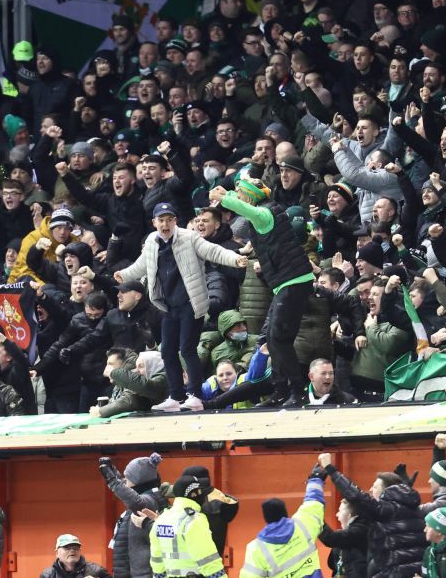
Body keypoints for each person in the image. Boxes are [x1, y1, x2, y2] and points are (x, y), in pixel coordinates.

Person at [115, 202, 247, 411]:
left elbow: (213, 251)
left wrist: (235, 258)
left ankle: (195, 395)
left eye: (169, 220)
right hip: (169, 305)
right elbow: (141, 265)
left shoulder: (189, 237)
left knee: (187, 349)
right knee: (167, 351)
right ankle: (176, 396)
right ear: (154, 222)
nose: (165, 224)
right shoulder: (151, 241)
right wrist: (124, 274)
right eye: (161, 220)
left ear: (175, 221)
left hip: (191, 303)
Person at [211, 177, 314, 407]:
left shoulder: (265, 214)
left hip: (294, 280)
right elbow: (247, 209)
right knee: (273, 339)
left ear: (250, 197)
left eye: (241, 193)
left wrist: (224, 199)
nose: (238, 197)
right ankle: (280, 391)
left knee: (279, 338)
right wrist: (227, 193)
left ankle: (297, 391)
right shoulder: (263, 213)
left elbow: (246, 209)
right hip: (286, 283)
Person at [242, 456, 326, 578]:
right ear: (285, 512)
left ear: (266, 518)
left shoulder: (256, 548)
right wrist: (315, 479)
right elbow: (314, 501)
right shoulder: (303, 524)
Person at [99, 454, 167, 578]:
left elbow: (134, 499)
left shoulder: (148, 501)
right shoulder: (153, 495)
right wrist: (115, 474)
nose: (124, 481)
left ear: (138, 481)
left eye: (127, 478)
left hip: (144, 574)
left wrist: (113, 481)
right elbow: (129, 491)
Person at [149, 475, 226, 578]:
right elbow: (208, 560)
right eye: (201, 492)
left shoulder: (161, 519)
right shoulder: (194, 520)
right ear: (194, 494)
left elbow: (157, 560)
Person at [39, 534, 110, 578]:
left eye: (76, 548)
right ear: (57, 553)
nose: (72, 550)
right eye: (67, 548)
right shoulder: (48, 575)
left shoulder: (97, 571)